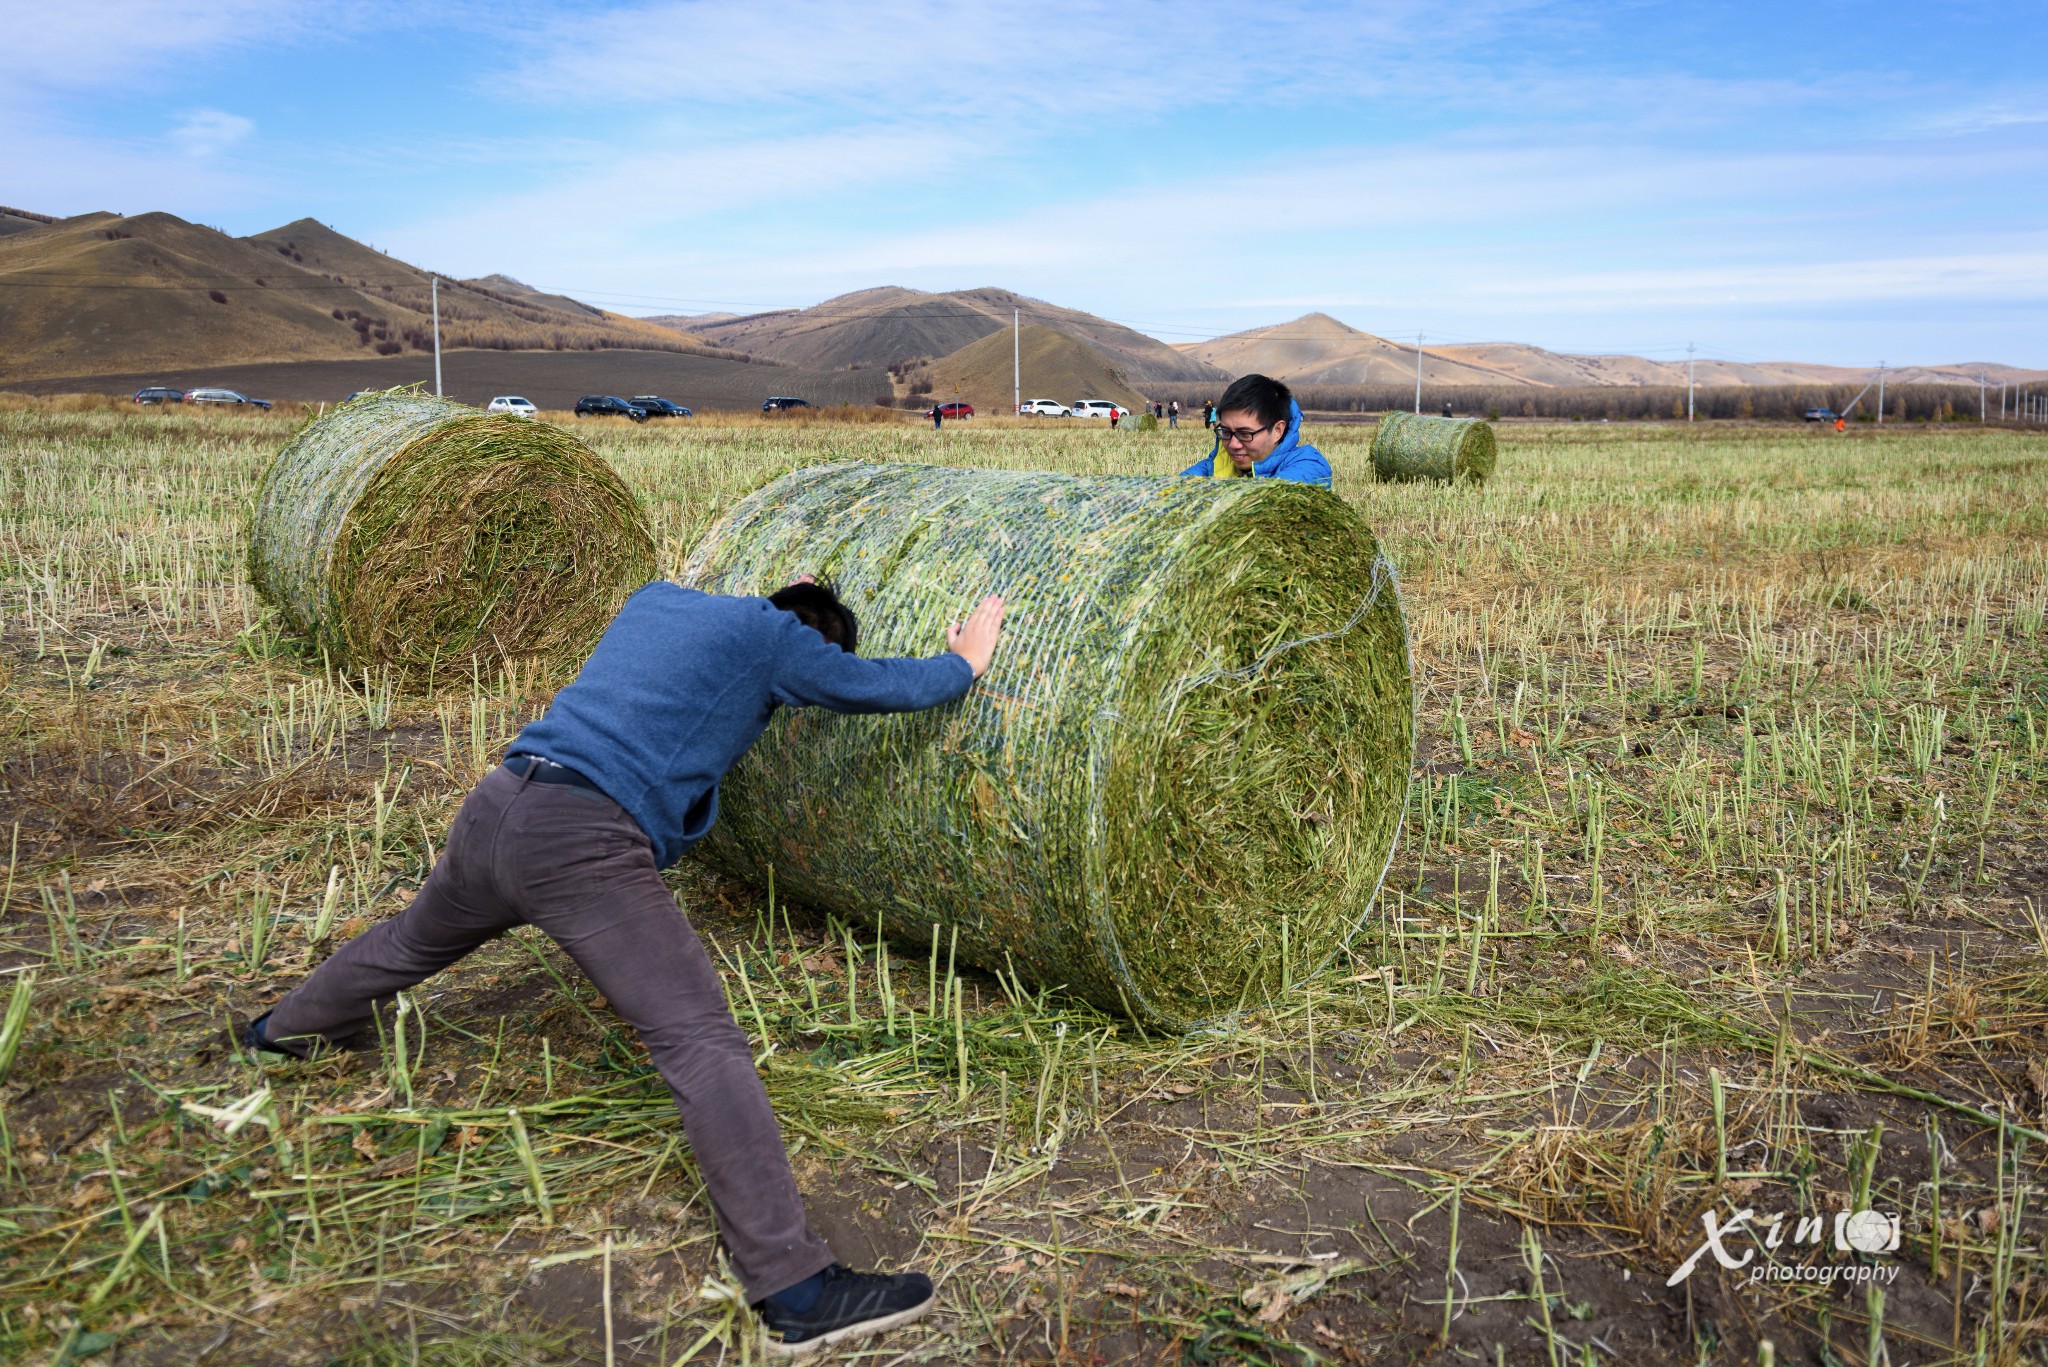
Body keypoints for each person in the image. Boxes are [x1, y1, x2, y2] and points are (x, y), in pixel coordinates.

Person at [244, 578, 1007, 1356]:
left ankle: (284, 1029)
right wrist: (963, 665)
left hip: (503, 799)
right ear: (810, 633)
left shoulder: (657, 600)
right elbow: (877, 685)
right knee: (700, 1040)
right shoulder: (776, 641)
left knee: (412, 939)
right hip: (582, 841)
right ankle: (795, 1287)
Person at [1179, 373, 1331, 487]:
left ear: (1277, 430)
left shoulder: (1309, 466)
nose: (1233, 445)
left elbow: (1268, 503)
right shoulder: (1214, 465)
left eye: (1245, 434)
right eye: (1225, 432)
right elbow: (1170, 496)